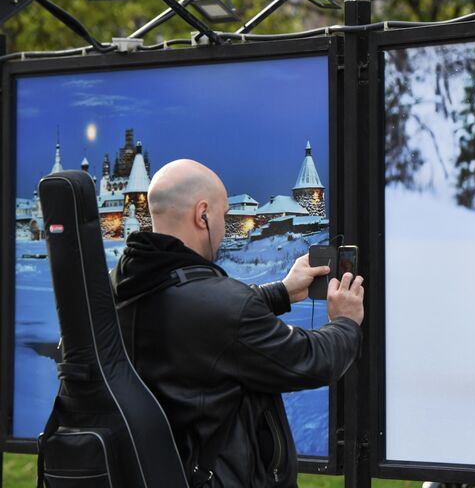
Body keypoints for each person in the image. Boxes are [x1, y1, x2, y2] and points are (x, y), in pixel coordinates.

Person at [110, 159, 364, 488]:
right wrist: (345, 321)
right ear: (202, 214)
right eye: (224, 213)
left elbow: (203, 315)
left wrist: (282, 292)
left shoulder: (124, 286)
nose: (226, 223)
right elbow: (311, 360)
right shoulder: (221, 306)